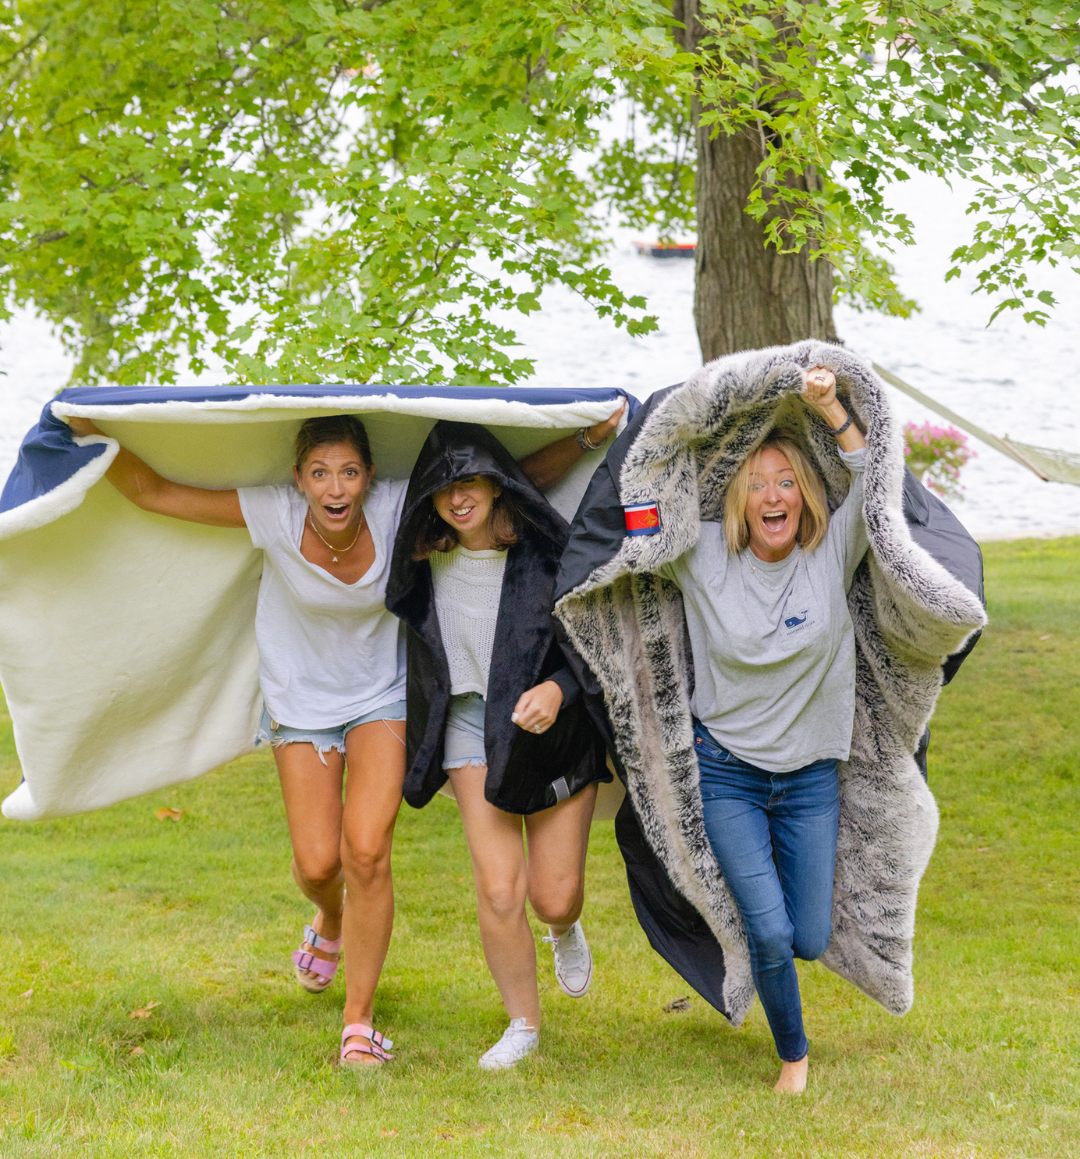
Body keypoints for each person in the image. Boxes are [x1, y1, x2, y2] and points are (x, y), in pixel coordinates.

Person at [66, 408, 620, 1067]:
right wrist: (85, 431)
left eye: (349, 472)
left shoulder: (400, 509)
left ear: (368, 478)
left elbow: (508, 477)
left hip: (381, 698)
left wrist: (587, 436)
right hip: (304, 702)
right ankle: (330, 918)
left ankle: (358, 1024)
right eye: (321, 474)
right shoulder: (285, 514)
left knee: (370, 853)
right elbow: (154, 492)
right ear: (298, 478)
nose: (335, 489)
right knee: (321, 865)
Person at [648, 368, 867, 1092]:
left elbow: (872, 476)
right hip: (728, 772)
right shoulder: (702, 552)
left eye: (786, 482)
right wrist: (665, 417)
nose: (773, 496)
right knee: (772, 933)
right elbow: (639, 513)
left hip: (809, 781)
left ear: (805, 494)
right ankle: (794, 1056)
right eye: (757, 482)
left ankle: (764, 933)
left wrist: (830, 404)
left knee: (805, 937)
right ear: (736, 495)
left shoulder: (833, 551)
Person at [386, 420, 615, 1070]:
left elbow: (600, 637)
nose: (458, 497)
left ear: (496, 481)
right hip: (467, 724)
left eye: (471, 480)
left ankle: (564, 926)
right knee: (499, 887)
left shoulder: (545, 553)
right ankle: (523, 1024)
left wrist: (561, 690)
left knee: (553, 895)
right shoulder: (425, 560)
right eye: (442, 487)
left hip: (548, 730)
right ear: (426, 500)